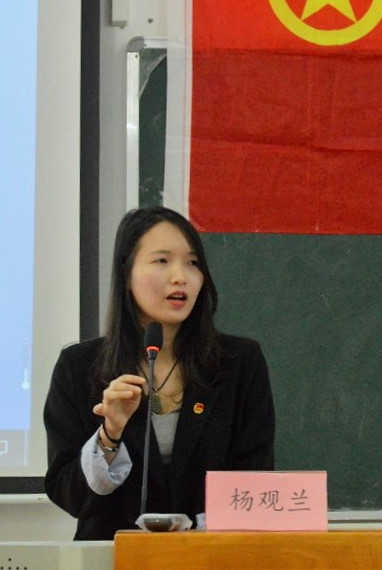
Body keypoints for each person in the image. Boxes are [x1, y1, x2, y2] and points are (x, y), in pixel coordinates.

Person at [44, 206, 275, 540]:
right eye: (162, 260)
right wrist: (110, 434)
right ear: (126, 274)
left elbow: (255, 479)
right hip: (113, 555)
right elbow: (69, 495)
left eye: (193, 263)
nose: (181, 276)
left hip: (212, 555)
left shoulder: (239, 362)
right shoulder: (79, 367)